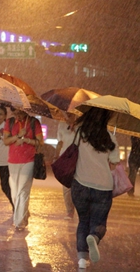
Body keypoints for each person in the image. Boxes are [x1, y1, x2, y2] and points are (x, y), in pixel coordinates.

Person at [70, 107, 119, 269]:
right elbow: (113, 164)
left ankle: (82, 260)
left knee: (83, 220)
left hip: (80, 184)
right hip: (102, 187)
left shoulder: (79, 134)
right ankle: (94, 236)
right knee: (99, 221)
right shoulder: (110, 139)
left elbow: (70, 152)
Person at [3, 108, 44, 231]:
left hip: (29, 160)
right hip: (13, 161)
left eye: (20, 112)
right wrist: (17, 136)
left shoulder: (33, 122)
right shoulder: (10, 122)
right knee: (15, 193)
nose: (18, 115)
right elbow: (6, 141)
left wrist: (27, 140)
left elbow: (40, 142)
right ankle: (23, 214)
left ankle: (19, 223)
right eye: (15, 112)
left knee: (23, 190)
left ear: (26, 111)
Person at [54, 113, 78, 218]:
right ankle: (69, 211)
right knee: (66, 186)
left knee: (77, 185)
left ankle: (80, 209)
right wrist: (56, 156)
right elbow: (60, 142)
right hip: (65, 158)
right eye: (67, 115)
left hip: (78, 158)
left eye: (71, 115)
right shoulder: (62, 124)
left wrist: (75, 128)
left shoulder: (81, 125)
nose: (68, 117)